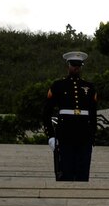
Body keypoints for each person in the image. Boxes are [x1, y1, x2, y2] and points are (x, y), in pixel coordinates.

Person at [42, 51, 98, 182]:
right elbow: (46, 112)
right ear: (68, 65)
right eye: (74, 64)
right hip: (65, 133)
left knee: (82, 172)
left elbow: (93, 114)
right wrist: (50, 135)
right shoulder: (58, 86)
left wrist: (93, 135)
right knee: (65, 171)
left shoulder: (89, 87)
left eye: (79, 65)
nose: (76, 67)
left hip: (84, 133)